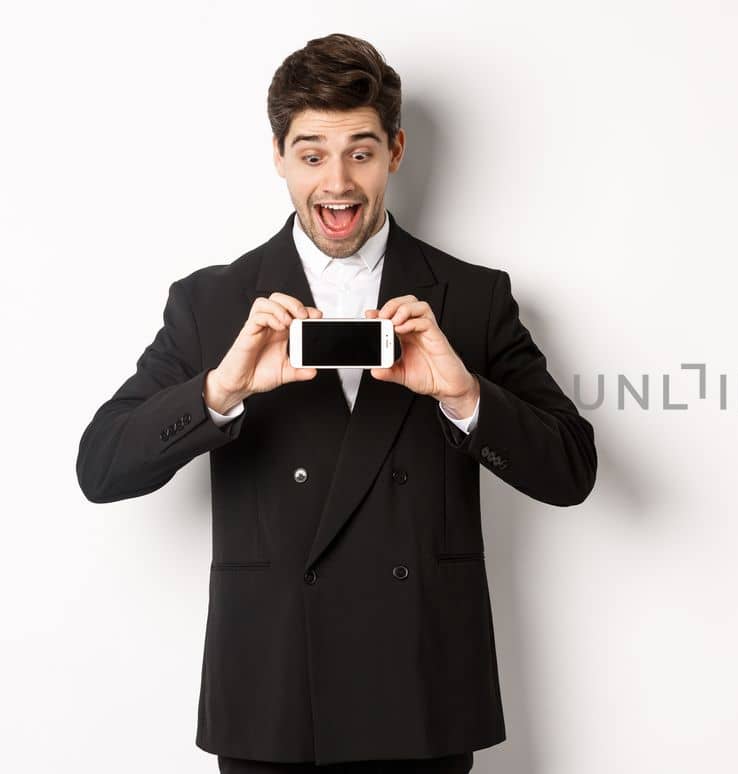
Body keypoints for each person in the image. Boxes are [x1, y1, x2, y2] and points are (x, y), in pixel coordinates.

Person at [75, 33, 598, 772]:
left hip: (421, 689)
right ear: (280, 157)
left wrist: (464, 397)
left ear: (396, 150)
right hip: (274, 692)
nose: (339, 182)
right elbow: (101, 467)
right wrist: (219, 393)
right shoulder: (212, 302)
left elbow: (571, 472)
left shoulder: (475, 299)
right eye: (312, 153)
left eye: (361, 151)